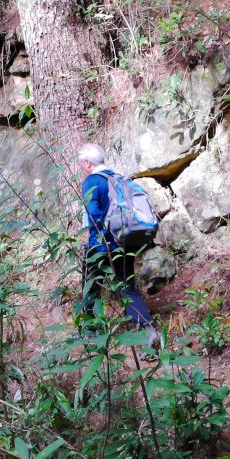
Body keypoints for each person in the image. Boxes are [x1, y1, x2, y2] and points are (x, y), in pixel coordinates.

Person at [76, 143, 160, 348]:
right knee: (127, 287)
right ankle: (148, 332)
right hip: (125, 242)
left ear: (87, 163)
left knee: (91, 288)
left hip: (101, 245)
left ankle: (91, 333)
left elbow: (94, 215)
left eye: (80, 163)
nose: (80, 167)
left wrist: (101, 239)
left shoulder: (91, 182)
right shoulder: (119, 179)